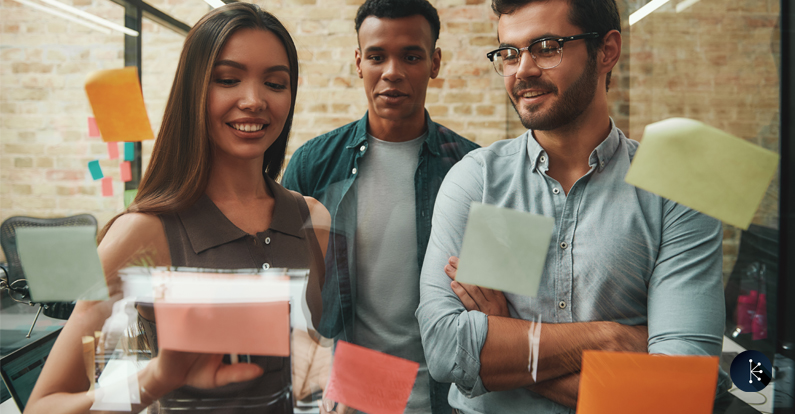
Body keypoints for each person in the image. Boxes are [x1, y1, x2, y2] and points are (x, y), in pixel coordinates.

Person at [417, 0, 730, 412]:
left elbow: (678, 390)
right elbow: (445, 350)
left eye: (547, 46)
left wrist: (507, 345)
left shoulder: (676, 190)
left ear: (607, 51)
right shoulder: (480, 182)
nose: (523, 69)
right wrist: (611, 338)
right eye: (509, 53)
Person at [25, 3, 329, 413]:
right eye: (228, 79)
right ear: (194, 90)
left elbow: (313, 368)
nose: (254, 100)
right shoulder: (142, 233)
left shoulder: (313, 219)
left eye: (275, 83)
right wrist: (156, 379)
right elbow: (45, 405)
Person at [282, 0, 478, 412]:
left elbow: (496, 306)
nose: (392, 72)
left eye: (411, 56)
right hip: (356, 397)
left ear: (434, 62)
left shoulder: (473, 170)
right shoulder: (315, 166)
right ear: (358, 62)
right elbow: (288, 296)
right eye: (376, 56)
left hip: (450, 398)